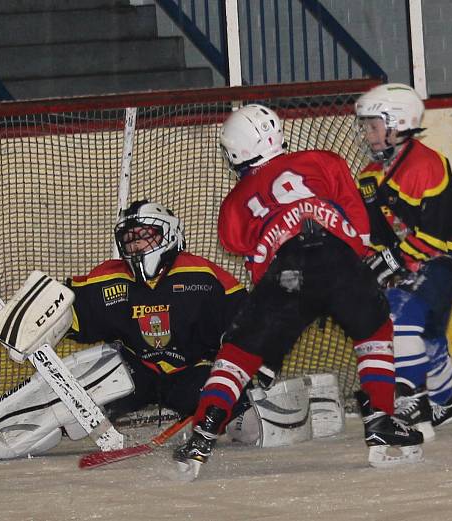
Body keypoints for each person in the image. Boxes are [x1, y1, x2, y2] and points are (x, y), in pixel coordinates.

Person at [173, 103, 424, 479]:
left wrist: (271, 334)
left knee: (238, 354)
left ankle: (204, 432)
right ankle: (381, 424)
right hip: (336, 258)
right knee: (373, 331)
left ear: (236, 150)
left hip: (285, 273)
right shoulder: (322, 160)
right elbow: (358, 227)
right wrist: (344, 286)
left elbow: (245, 250)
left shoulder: (234, 202)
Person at [0, 200, 248, 460]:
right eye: (130, 240)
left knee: (251, 422)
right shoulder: (110, 279)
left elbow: (249, 323)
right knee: (83, 376)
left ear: (169, 234)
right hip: (138, 370)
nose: (136, 246)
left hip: (193, 372)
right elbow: (67, 307)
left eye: (145, 237)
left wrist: (243, 366)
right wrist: (35, 320)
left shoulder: (203, 276)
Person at [354, 83, 452, 439]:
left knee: (399, 311)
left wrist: (393, 263)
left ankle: (411, 402)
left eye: (372, 125)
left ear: (397, 123)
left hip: (448, 257)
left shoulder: (426, 164)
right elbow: (377, 236)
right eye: (364, 125)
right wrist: (372, 262)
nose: (366, 133)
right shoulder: (369, 176)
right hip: (414, 261)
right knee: (426, 331)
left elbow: (434, 235)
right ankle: (451, 400)